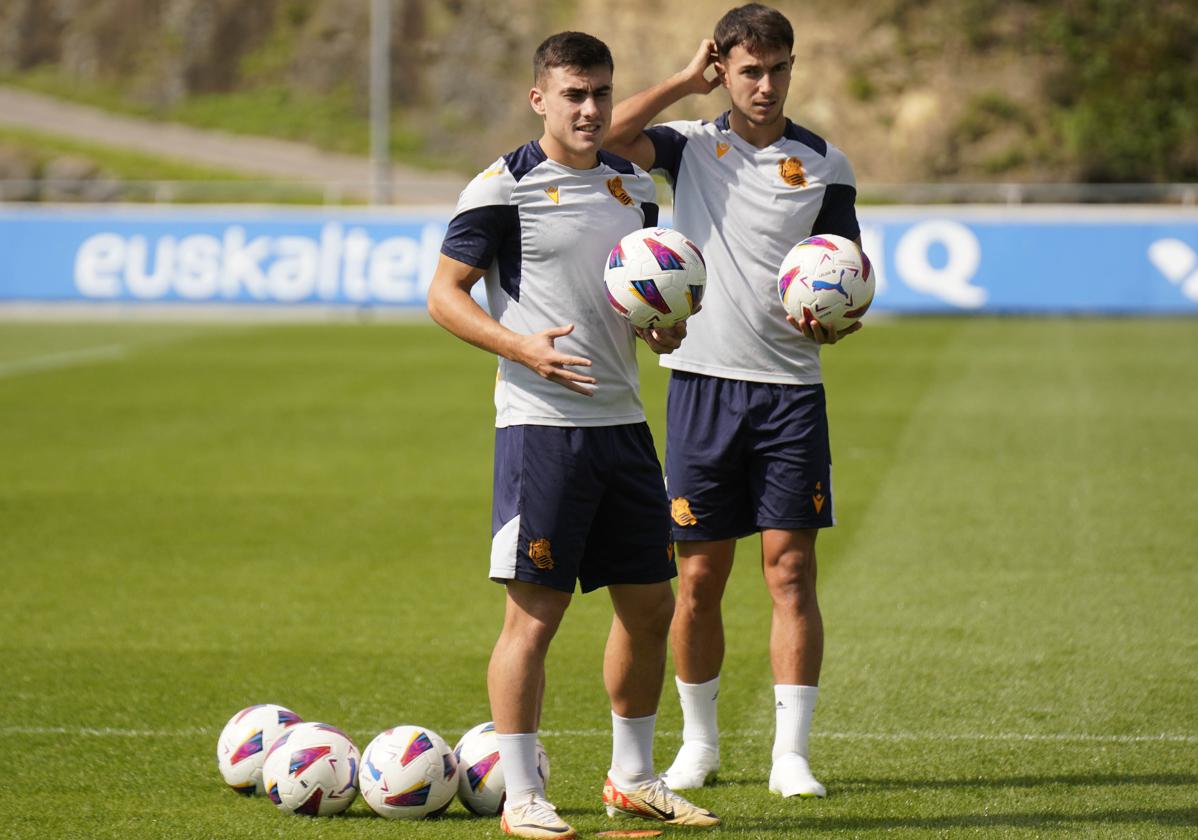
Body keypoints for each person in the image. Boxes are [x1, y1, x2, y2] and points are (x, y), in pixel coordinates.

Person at [426, 31, 720, 840]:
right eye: (573, 95)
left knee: (650, 607)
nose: (589, 109)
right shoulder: (500, 187)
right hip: (542, 429)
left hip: (624, 425)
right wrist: (518, 345)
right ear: (539, 99)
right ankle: (521, 795)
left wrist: (661, 331)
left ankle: (634, 777)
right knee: (535, 617)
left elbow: (635, 305)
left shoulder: (634, 186)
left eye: (598, 93)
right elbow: (444, 295)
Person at [603, 3, 867, 799]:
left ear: (793, 66)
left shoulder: (825, 164)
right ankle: (700, 745)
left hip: (791, 393)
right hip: (702, 389)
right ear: (726, 68)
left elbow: (848, 269)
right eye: (749, 70)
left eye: (778, 69)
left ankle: (791, 755)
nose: (765, 84)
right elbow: (605, 138)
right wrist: (684, 82)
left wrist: (839, 321)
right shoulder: (690, 147)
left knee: (789, 573)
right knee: (699, 580)